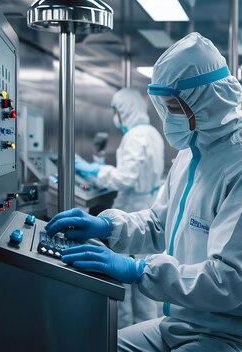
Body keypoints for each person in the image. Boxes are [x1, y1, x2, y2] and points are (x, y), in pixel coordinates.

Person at [45, 32, 242, 351]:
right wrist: (109, 227)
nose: (168, 117)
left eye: (174, 106)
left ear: (208, 101)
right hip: (183, 321)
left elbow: (226, 282)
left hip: (236, 332)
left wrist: (138, 269)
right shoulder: (192, 155)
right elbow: (160, 223)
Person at [74, 88, 165, 327]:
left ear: (123, 110)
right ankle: (146, 331)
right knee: (145, 283)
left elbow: (125, 178)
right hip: (147, 206)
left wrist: (94, 170)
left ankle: (123, 334)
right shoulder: (152, 132)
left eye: (115, 110)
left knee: (122, 286)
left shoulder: (135, 136)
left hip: (132, 209)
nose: (115, 116)